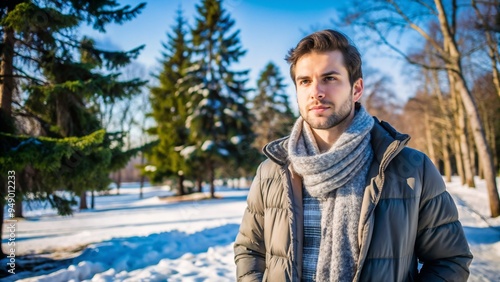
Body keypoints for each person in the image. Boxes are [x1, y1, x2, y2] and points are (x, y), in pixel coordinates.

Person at [233, 29, 472, 282]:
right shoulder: (272, 171)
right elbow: (250, 250)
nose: (316, 92)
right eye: (305, 81)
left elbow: (450, 259)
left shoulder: (410, 169)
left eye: (329, 78)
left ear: (356, 89)